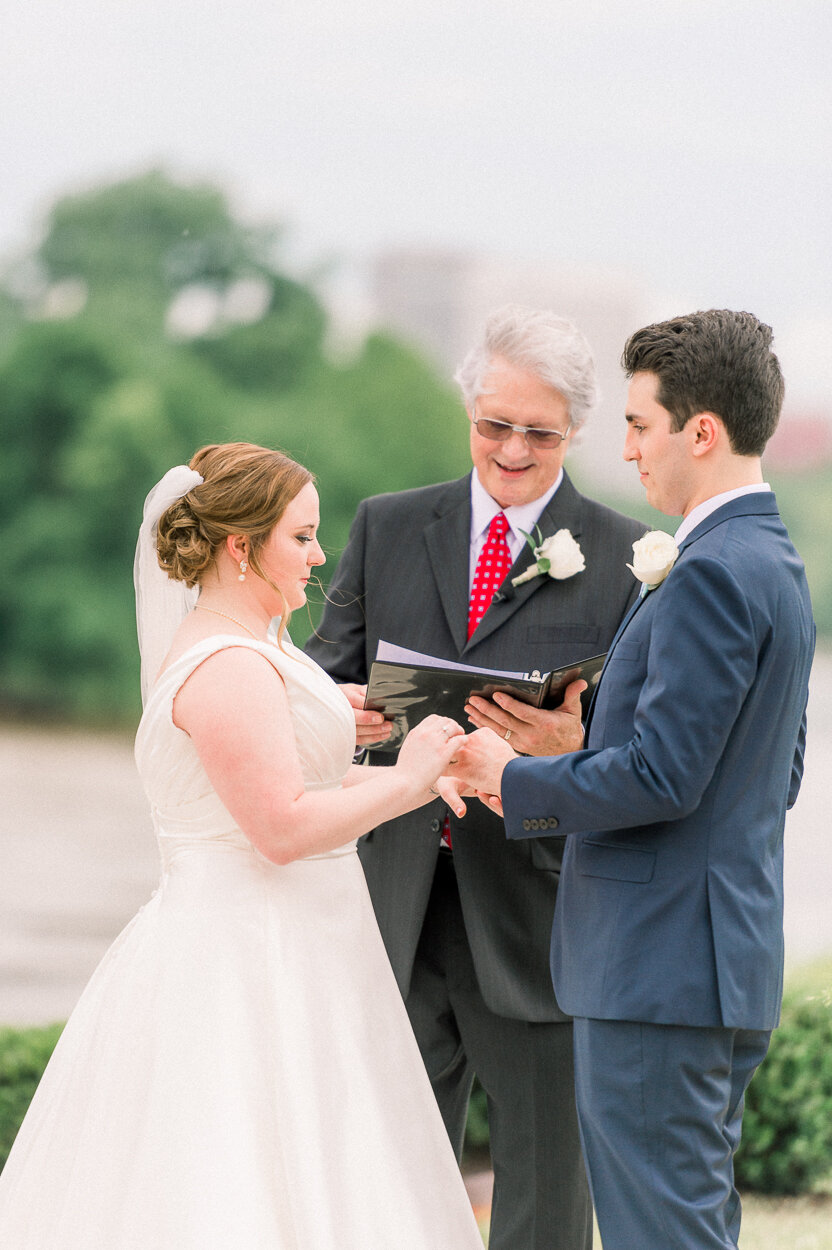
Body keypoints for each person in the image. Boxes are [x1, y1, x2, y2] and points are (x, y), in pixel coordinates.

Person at [0, 442, 485, 1250]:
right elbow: (283, 827)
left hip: (306, 947)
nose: (318, 555)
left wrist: (425, 770)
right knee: (236, 1171)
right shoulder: (224, 665)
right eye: (301, 536)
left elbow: (311, 787)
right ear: (240, 546)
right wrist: (408, 781)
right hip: (243, 960)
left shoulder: (262, 650)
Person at [446, 309, 816, 1250]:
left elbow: (662, 777)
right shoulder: (774, 564)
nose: (627, 448)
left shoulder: (710, 572)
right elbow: (770, 771)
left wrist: (516, 775)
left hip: (655, 969)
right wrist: (582, 737)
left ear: (702, 431)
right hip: (710, 962)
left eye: (641, 425)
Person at [306, 305, 648, 1250]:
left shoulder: (626, 559)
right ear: (470, 410)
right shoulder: (388, 524)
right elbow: (318, 677)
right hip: (394, 895)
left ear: (573, 430)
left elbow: (640, 754)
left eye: (536, 432)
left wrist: (569, 745)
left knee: (545, 1188)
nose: (510, 448)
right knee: (385, 1175)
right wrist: (342, 711)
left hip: (538, 912)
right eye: (493, 423)